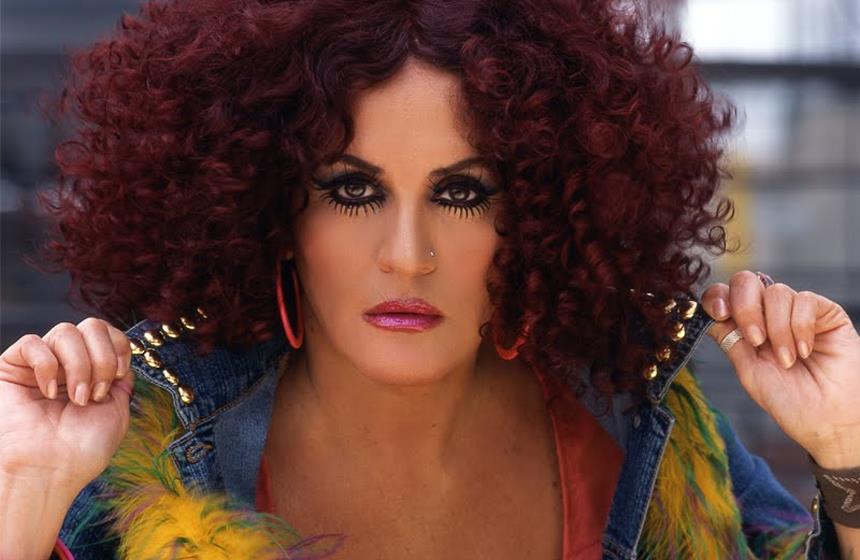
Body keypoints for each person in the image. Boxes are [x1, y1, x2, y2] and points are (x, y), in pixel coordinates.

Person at [1, 0, 858, 558]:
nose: (407, 255)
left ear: (540, 212)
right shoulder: (136, 463)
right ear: (271, 210)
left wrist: (848, 448)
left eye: (462, 193)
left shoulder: (643, 424)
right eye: (352, 190)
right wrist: (25, 496)